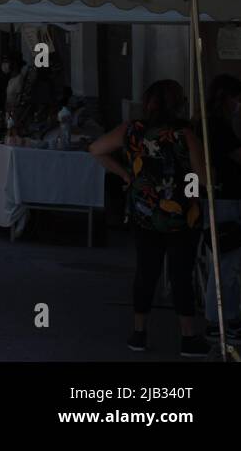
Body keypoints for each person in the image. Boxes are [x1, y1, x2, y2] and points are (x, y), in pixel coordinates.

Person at [90, 80, 210, 356]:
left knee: (146, 272)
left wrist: (126, 175)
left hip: (144, 212)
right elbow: (203, 177)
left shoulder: (132, 130)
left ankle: (139, 332)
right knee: (182, 274)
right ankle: (188, 337)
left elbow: (96, 150)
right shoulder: (185, 134)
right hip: (182, 214)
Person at [203, 74, 241, 342]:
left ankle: (226, 318)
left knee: (226, 262)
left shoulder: (211, 124)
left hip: (221, 198)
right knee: (226, 263)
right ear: (227, 99)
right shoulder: (218, 127)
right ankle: (218, 322)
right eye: (238, 99)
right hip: (225, 199)